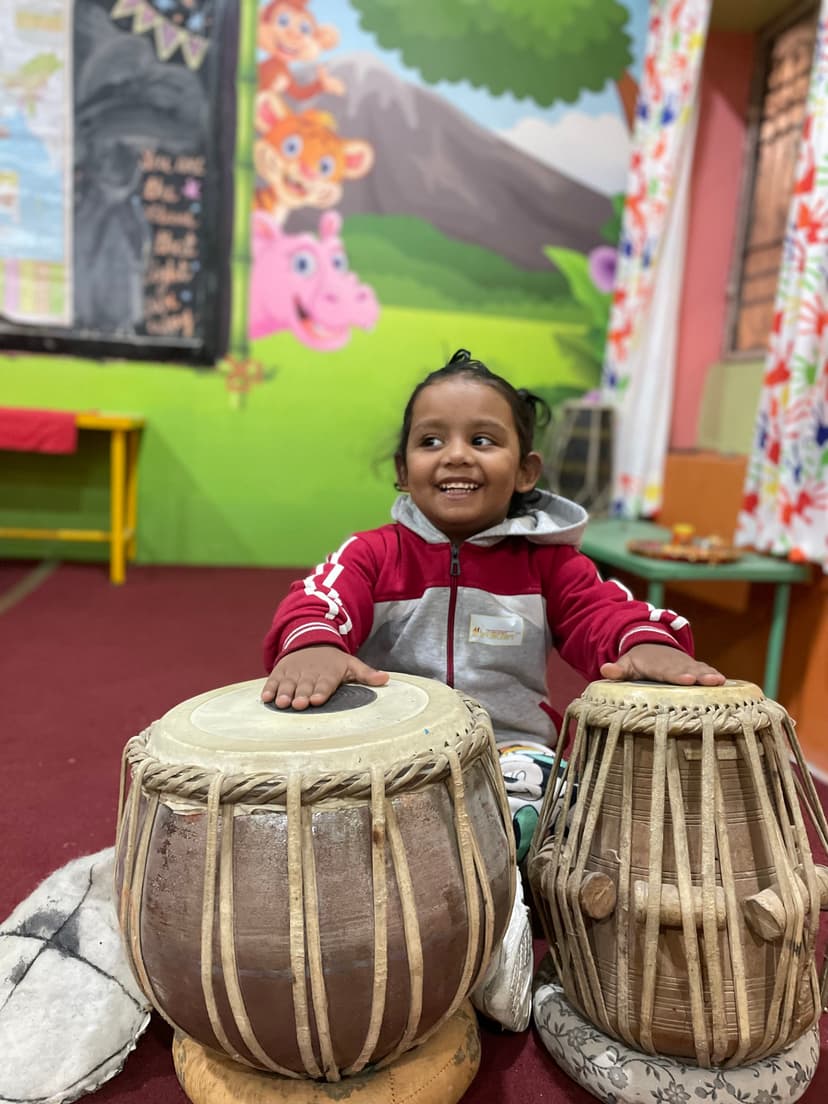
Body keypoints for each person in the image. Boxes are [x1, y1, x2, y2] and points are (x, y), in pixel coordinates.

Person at [261, 347, 725, 1028]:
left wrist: (645, 641)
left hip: (510, 754)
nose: (455, 456)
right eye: (431, 441)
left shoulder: (550, 565)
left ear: (524, 469)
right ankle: (468, 921)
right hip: (395, 758)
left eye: (483, 439)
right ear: (403, 467)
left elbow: (605, 612)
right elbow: (315, 599)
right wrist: (317, 643)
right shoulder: (372, 554)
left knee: (565, 814)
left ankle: (495, 926)